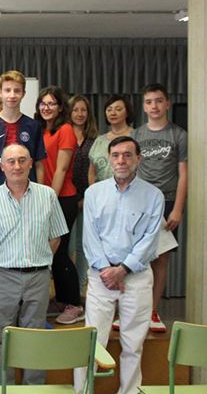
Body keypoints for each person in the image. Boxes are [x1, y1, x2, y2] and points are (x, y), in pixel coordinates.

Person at [74, 136, 163, 394]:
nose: (121, 160)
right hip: (101, 276)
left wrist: (123, 270)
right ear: (109, 159)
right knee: (91, 341)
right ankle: (83, 392)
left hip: (135, 277)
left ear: (138, 159)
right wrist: (107, 271)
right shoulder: (94, 193)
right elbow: (89, 237)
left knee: (133, 343)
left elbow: (150, 240)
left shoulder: (153, 196)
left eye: (127, 155)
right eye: (115, 155)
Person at [0, 143, 68, 386]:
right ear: (2, 165)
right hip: (1, 276)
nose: (16, 166)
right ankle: (3, 390)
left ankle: (33, 391)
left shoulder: (47, 195)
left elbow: (56, 237)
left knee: (35, 338)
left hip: (38, 277)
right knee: (0, 337)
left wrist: (37, 260)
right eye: (11, 161)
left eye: (22, 160)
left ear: (30, 163)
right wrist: (2, 267)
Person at [132, 83, 187, 333]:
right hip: (141, 202)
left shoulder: (179, 135)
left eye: (158, 101)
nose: (154, 106)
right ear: (144, 106)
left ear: (167, 103)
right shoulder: (137, 135)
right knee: (137, 257)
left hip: (166, 202)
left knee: (160, 259)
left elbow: (184, 174)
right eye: (149, 102)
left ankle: (152, 311)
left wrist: (177, 209)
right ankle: (135, 310)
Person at [34, 86, 83, 325]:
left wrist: (49, 201)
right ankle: (63, 299)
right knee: (50, 252)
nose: (46, 107)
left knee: (60, 251)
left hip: (62, 198)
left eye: (51, 103)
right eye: (43, 103)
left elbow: (62, 169)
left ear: (61, 107)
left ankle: (74, 304)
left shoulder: (66, 130)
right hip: (46, 197)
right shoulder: (41, 130)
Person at [0, 70, 46, 194]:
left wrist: (41, 195)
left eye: (17, 90)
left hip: (29, 195)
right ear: (0, 93)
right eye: (7, 90)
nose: (12, 95)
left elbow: (39, 165)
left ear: (23, 93)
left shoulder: (34, 126)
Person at [67, 95, 98, 291]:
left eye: (83, 110)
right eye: (75, 109)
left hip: (88, 199)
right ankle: (67, 290)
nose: (79, 114)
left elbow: (96, 172)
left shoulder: (96, 140)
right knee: (67, 247)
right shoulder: (64, 134)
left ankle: (79, 289)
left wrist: (86, 197)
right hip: (67, 197)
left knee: (82, 247)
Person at [88, 95, 134, 184]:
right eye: (109, 110)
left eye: (118, 109)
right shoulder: (99, 140)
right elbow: (92, 172)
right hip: (102, 193)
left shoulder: (136, 137)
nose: (113, 113)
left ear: (127, 112)